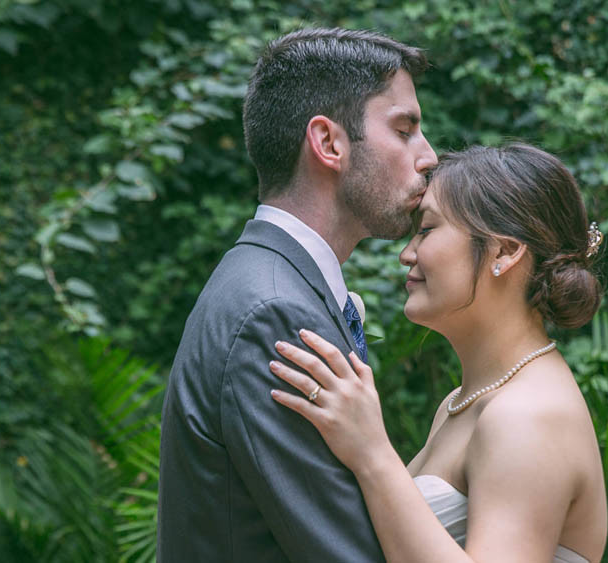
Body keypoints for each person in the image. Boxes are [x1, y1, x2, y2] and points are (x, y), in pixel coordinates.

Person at [157, 27, 438, 562]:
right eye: (405, 130)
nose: (428, 157)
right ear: (329, 143)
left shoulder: (266, 281)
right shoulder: (275, 314)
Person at [268, 143, 608, 563]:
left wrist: (372, 453)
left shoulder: (528, 416)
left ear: (503, 252)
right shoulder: (462, 403)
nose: (406, 253)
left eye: (427, 230)